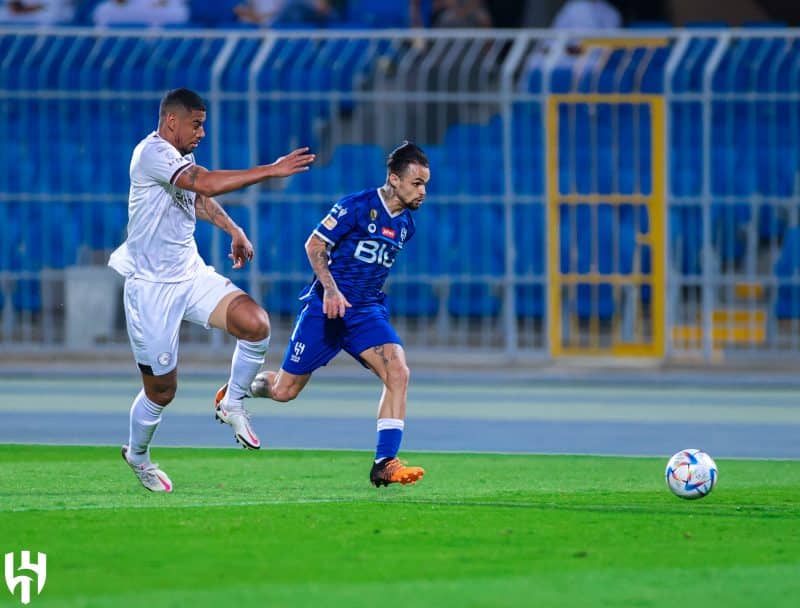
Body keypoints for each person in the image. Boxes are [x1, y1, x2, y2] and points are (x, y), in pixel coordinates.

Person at [108, 88, 315, 492]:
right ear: (172, 121)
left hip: (190, 274)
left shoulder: (181, 158)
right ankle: (137, 454)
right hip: (151, 289)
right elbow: (204, 183)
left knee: (255, 324)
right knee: (162, 391)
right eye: (196, 123)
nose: (202, 132)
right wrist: (270, 171)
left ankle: (232, 400)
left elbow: (197, 197)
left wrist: (232, 229)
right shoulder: (151, 154)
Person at [249, 142, 428, 488]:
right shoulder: (356, 207)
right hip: (325, 309)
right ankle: (241, 387)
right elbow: (314, 246)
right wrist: (330, 289)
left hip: (364, 312)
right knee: (285, 391)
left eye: (425, 184)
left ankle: (384, 463)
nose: (423, 192)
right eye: (416, 183)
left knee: (398, 372)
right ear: (394, 178)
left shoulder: (406, 225)